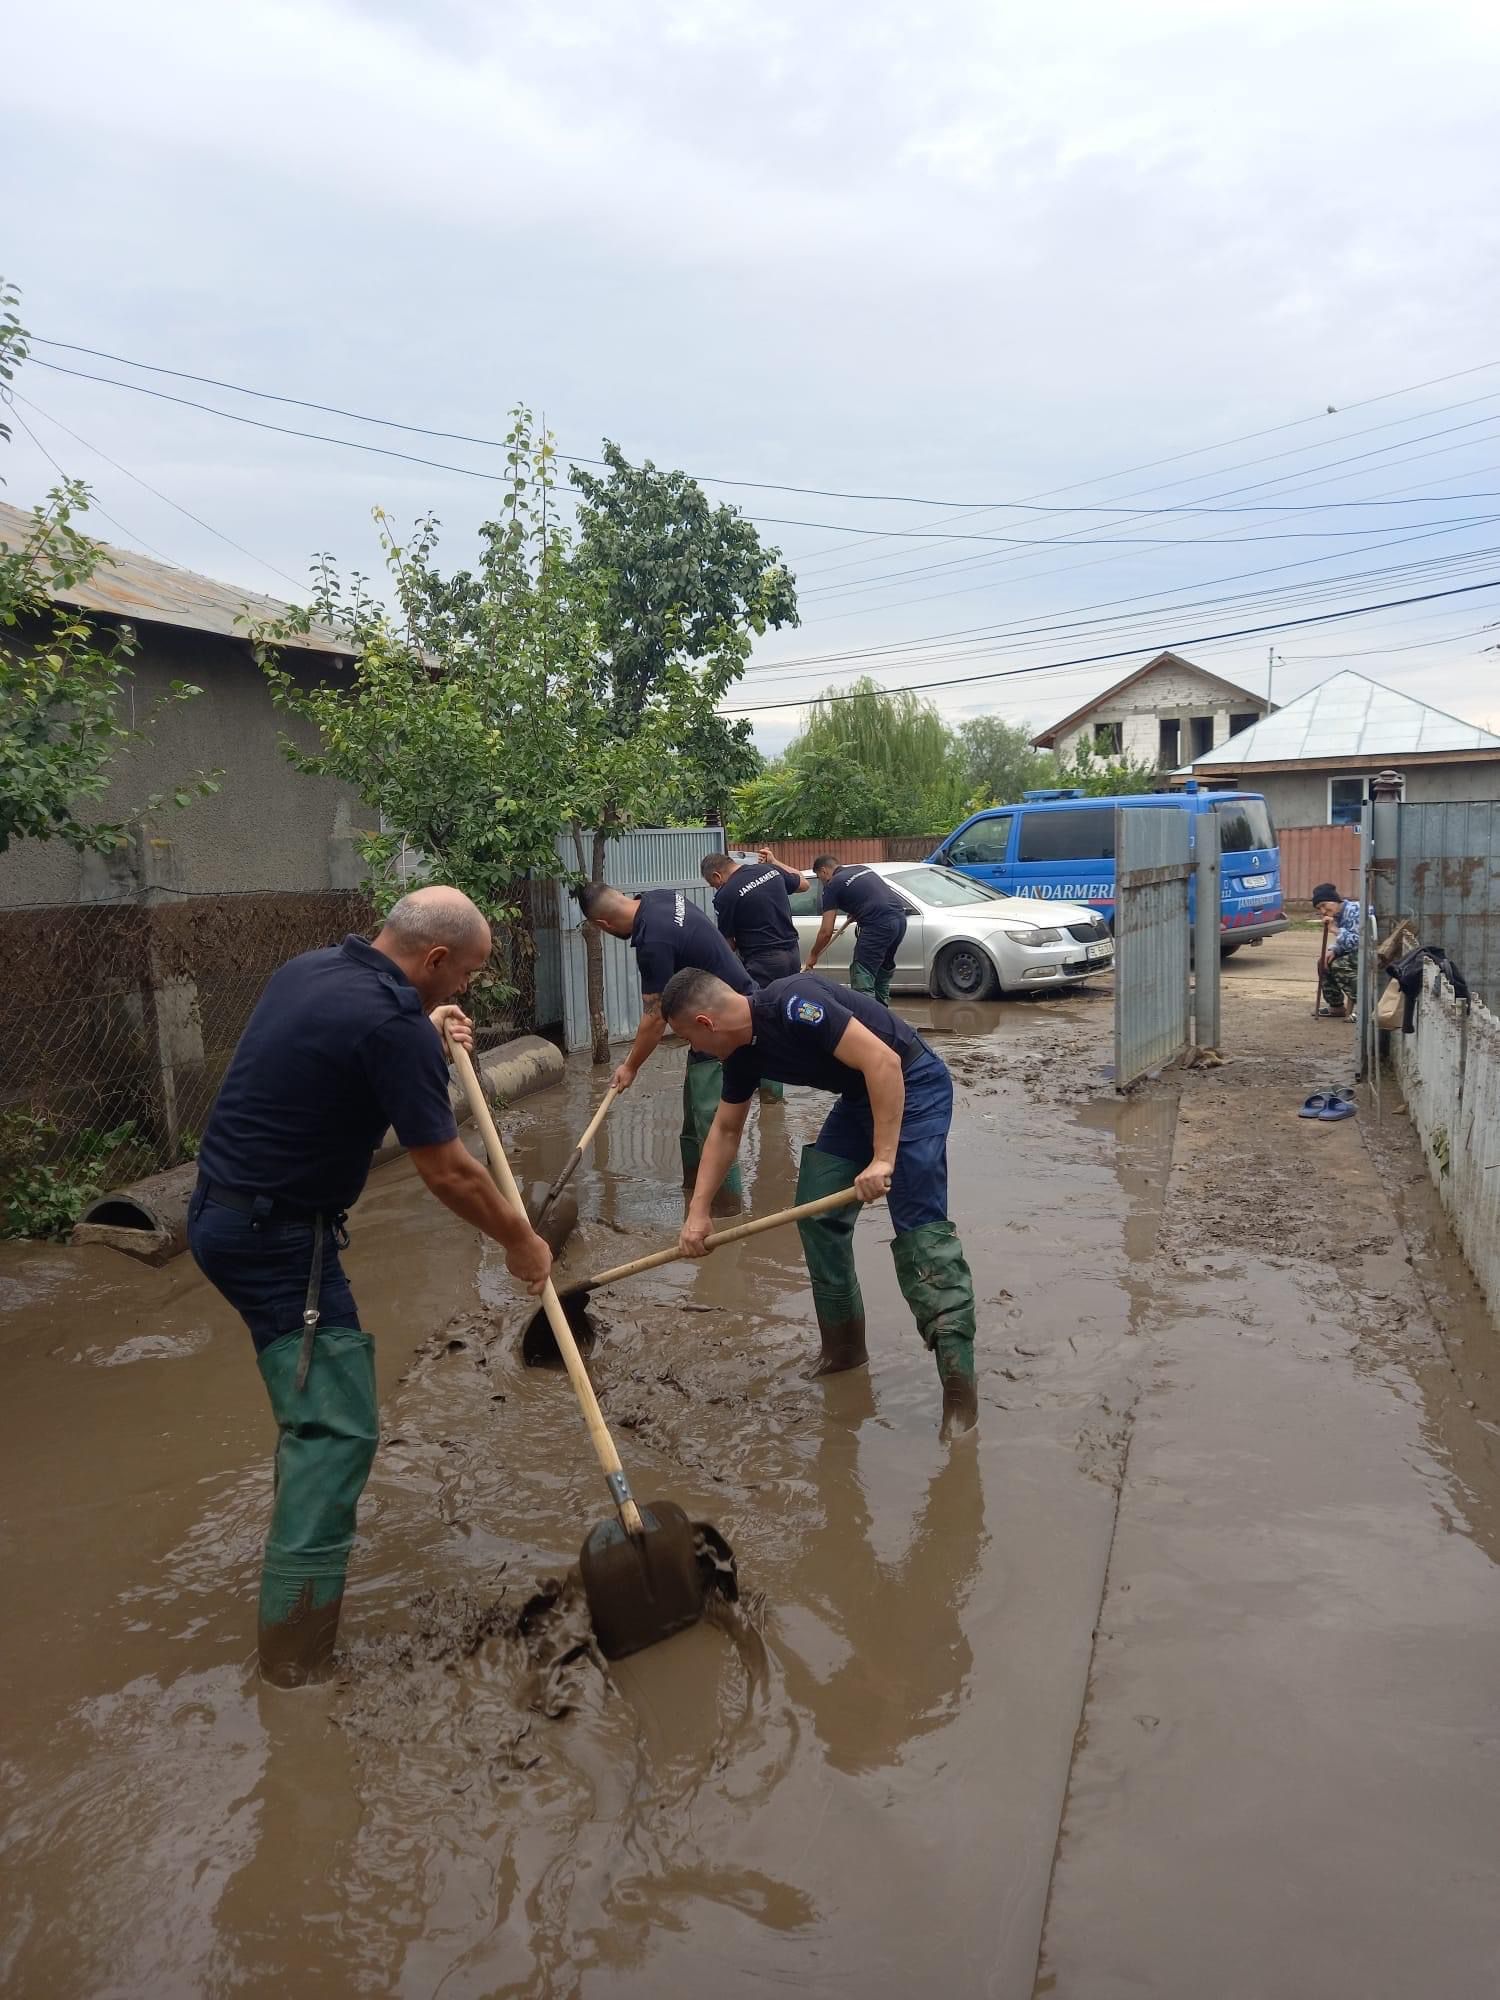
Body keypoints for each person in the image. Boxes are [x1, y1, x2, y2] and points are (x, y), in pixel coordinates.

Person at [188, 886, 553, 1687]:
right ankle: (295, 1665)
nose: (465, 991)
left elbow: (346, 1045)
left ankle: (295, 1575)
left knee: (312, 1406)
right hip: (278, 1239)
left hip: (221, 1213)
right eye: (464, 977)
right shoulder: (392, 1024)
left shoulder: (314, 969)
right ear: (432, 959)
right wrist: (522, 1243)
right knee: (336, 1433)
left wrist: (423, 1031)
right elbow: (449, 1171)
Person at [659, 964, 979, 1438]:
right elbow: (725, 1130)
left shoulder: (794, 1003)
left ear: (705, 1024)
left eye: (691, 1040)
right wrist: (698, 1213)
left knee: (920, 1236)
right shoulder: (742, 1057)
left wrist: (883, 1160)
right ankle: (844, 1351)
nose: (695, 1050)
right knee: (817, 1212)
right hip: (858, 1098)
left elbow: (884, 1063)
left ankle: (960, 1397)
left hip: (913, 1083)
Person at [575, 881, 756, 1209]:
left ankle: (728, 1210)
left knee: (711, 1121)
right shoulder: (659, 899)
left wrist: (630, 1066)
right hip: (711, 1019)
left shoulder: (652, 941)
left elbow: (655, 1019)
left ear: (603, 925)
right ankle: (694, 1194)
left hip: (726, 1027)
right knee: (693, 1122)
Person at [700, 848, 808, 1105]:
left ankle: (769, 1091)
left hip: (763, 961)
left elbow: (728, 946)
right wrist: (775, 861)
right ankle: (776, 1085)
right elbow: (803, 883)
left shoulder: (725, 895)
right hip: (792, 954)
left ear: (717, 876)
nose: (715, 889)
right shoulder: (769, 871)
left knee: (761, 1022)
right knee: (782, 1015)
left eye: (712, 884)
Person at [802, 854, 909, 1005]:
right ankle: (883, 1016)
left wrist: (813, 955)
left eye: (819, 877)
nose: (822, 882)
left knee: (862, 975)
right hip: (899, 920)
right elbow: (871, 895)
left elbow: (826, 931)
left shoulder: (833, 885)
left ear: (824, 871)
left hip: (878, 926)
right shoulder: (861, 869)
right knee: (882, 970)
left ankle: (868, 1020)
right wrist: (857, 911)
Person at [1312, 880, 1362, 1018]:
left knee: (1339, 964)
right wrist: (1335, 950)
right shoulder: (1339, 914)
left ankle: (1365, 1006)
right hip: (1357, 951)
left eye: (1323, 905)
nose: (1322, 911)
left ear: (1335, 901)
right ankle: (1336, 1007)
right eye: (1319, 908)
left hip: (1371, 951)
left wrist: (1335, 930)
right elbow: (1346, 942)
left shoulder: (1354, 911)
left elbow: (1359, 942)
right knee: (1324, 962)